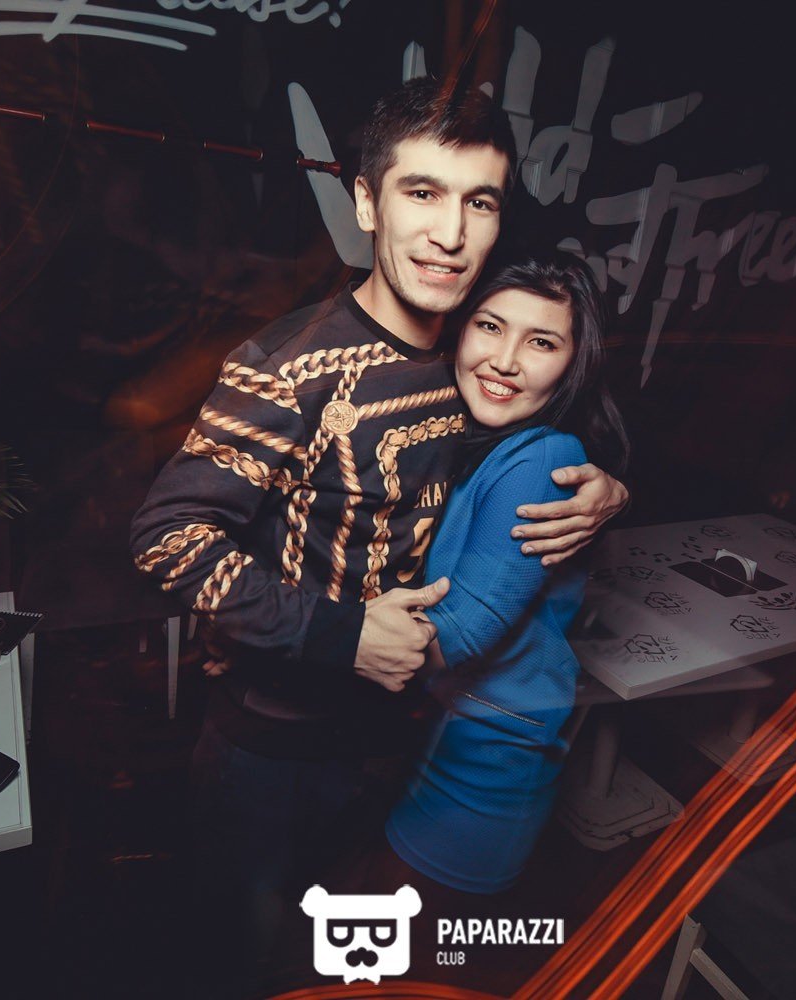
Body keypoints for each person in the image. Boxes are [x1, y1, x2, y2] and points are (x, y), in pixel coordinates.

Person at [128, 77, 628, 984]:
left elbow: (541, 428)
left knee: (354, 963)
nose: (450, 232)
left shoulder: (472, 349)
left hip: (396, 744)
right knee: (245, 965)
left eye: (480, 202)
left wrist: (611, 489)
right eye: (422, 192)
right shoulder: (289, 367)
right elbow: (168, 536)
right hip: (270, 749)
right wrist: (343, 635)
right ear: (366, 202)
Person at [382, 253, 628, 896]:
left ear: (574, 364)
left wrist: (285, 639)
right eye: (490, 326)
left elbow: (458, 637)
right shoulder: (454, 430)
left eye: (541, 342)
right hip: (428, 738)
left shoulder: (543, 458)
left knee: (416, 937)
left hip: (479, 765)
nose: (505, 360)